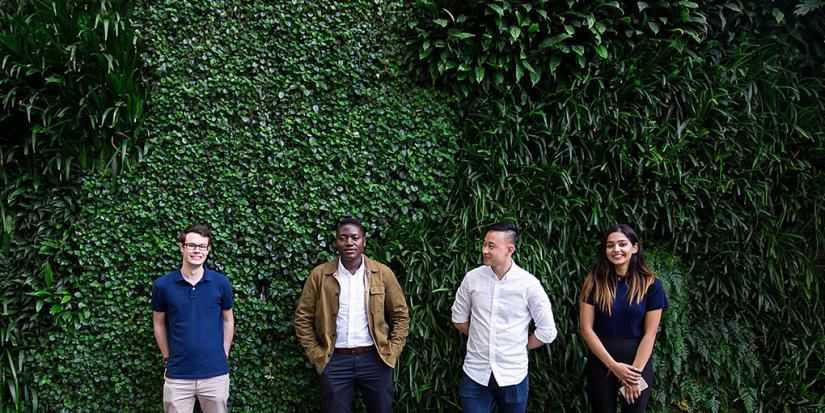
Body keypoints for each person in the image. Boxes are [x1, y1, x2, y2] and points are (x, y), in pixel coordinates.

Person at [294, 218, 410, 413]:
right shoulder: (320, 275)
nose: (349, 242)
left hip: (375, 359)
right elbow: (302, 317)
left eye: (355, 238)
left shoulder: (382, 273)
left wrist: (393, 350)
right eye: (343, 238)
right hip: (335, 361)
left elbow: (400, 315)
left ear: (363, 241)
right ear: (336, 242)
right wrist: (316, 354)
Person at [451, 221, 558, 413]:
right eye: (484, 244)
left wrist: (518, 344)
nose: (484, 250)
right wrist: (481, 337)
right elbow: (458, 318)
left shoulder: (528, 285)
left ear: (510, 249)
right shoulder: (472, 278)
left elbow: (548, 331)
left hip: (513, 375)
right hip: (475, 373)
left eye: (491, 246)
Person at [579, 224, 668, 413]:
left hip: (637, 363)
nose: (616, 249)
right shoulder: (594, 281)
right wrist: (613, 366)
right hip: (602, 361)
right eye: (610, 245)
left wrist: (633, 376)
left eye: (622, 244)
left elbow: (650, 333)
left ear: (634, 247)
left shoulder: (652, 285)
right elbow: (586, 329)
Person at [151, 224, 235, 413]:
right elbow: (158, 323)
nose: (197, 250)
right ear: (182, 247)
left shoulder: (221, 283)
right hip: (178, 375)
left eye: (203, 246)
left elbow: (228, 320)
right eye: (192, 245)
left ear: (208, 249)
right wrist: (167, 357)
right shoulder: (163, 285)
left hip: (215, 375)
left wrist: (224, 354)